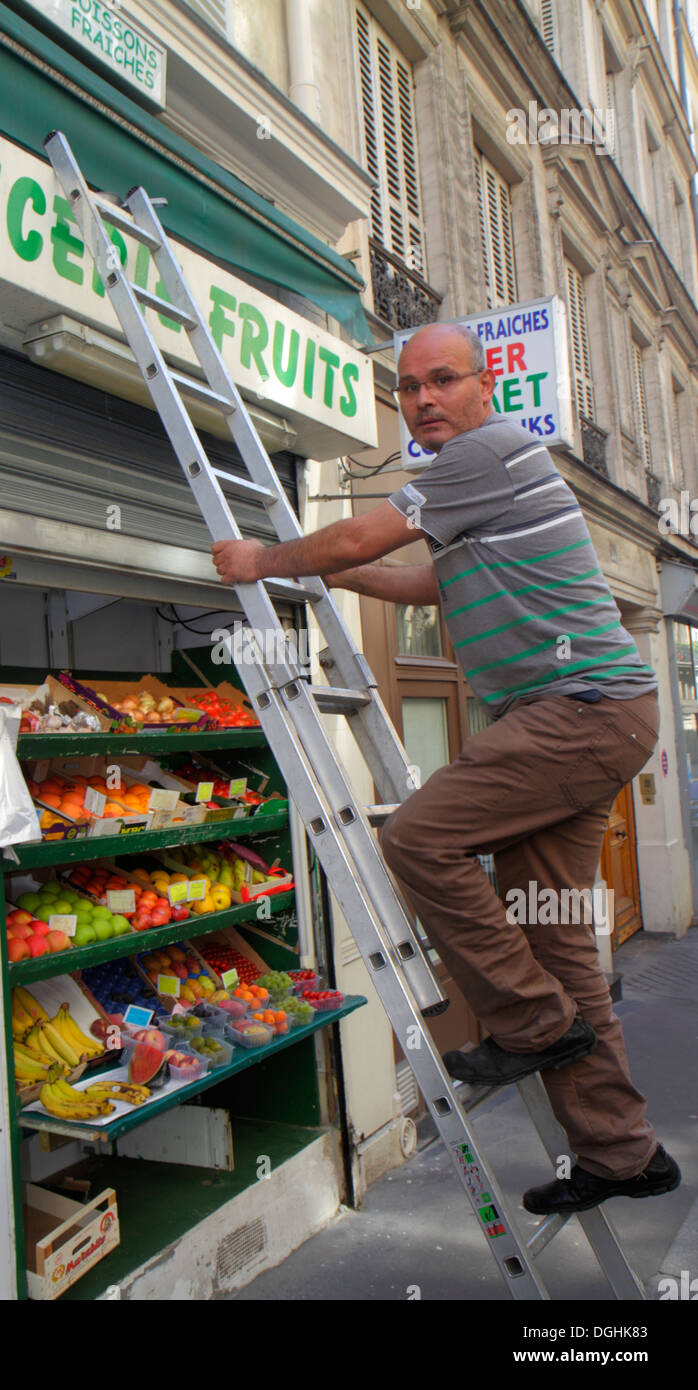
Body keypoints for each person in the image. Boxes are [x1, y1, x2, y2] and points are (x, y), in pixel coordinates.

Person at [212, 321, 681, 1217]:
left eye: (440, 380)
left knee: (420, 837)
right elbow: (431, 582)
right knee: (556, 944)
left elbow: (357, 540)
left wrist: (262, 561)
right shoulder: (480, 488)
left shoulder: (484, 452)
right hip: (589, 719)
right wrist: (337, 580)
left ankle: (532, 1023)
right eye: (407, 389)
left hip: (576, 713)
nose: (422, 400)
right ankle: (623, 1153)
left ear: (486, 383)